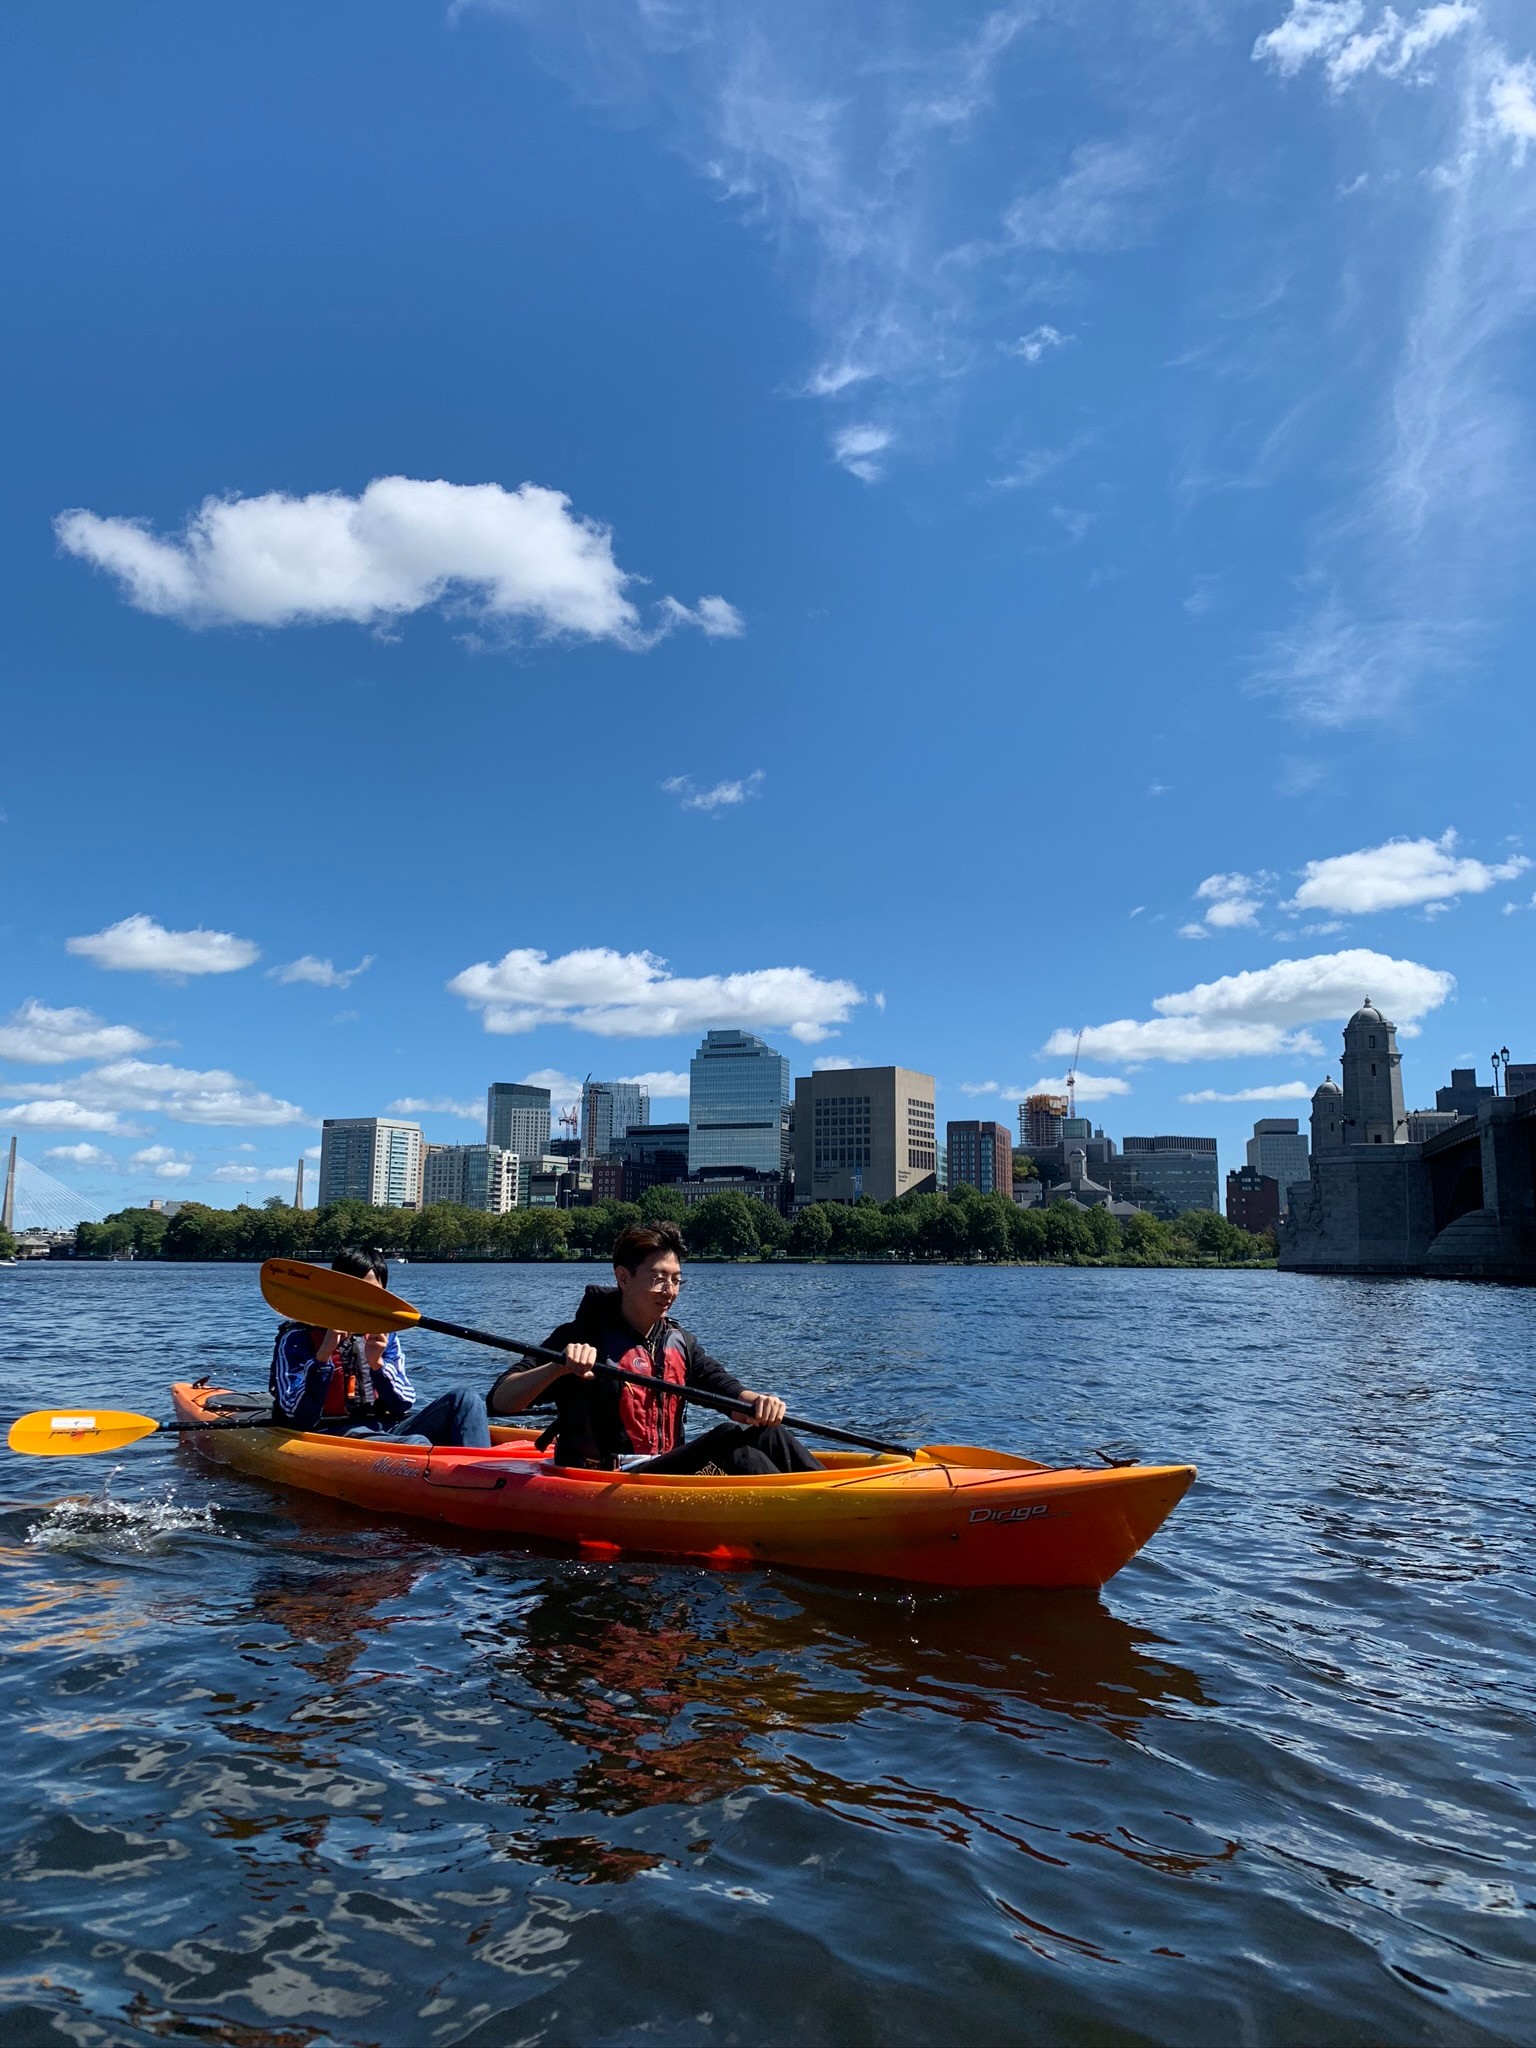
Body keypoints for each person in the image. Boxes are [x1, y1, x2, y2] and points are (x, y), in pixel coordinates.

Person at [487, 1221, 819, 1474]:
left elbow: (728, 1392)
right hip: (606, 1476)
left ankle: (827, 1495)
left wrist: (761, 1404)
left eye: (676, 1279)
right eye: (659, 1277)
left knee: (769, 1435)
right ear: (623, 1277)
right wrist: (559, 1366)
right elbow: (501, 1400)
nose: (670, 1290)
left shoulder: (680, 1342)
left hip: (665, 1469)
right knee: (728, 1440)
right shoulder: (581, 1335)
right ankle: (808, 1513)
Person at [269, 1248, 492, 1448]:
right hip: (329, 1432)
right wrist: (323, 1357)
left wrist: (378, 1365)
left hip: (382, 1429)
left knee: (466, 1398)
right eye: (356, 1293)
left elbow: (402, 1405)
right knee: (416, 1444)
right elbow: (299, 1416)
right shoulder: (297, 1338)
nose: (364, 1303)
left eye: (374, 1295)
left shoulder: (384, 1335)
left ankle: (483, 1472)